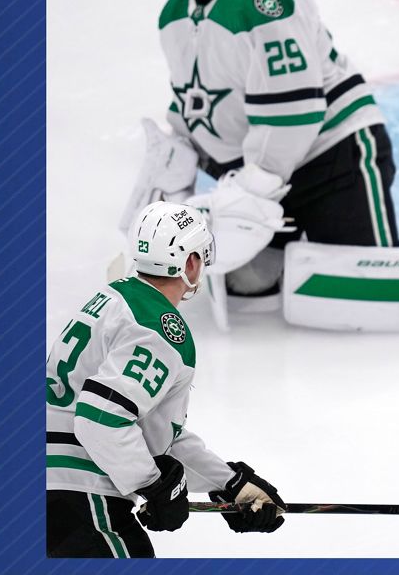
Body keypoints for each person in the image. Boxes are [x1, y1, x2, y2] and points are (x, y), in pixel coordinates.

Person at [159, 0, 399, 299]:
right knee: (244, 283)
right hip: (262, 174)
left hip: (331, 157)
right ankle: (298, 248)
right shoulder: (175, 13)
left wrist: (253, 189)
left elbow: (296, 109)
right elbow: (192, 105)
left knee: (367, 289)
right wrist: (176, 162)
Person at [47, 201, 286, 557]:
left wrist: (229, 482)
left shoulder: (112, 300)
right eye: (201, 257)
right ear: (190, 262)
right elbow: (100, 420)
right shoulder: (157, 326)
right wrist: (154, 485)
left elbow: (151, 435)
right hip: (78, 496)